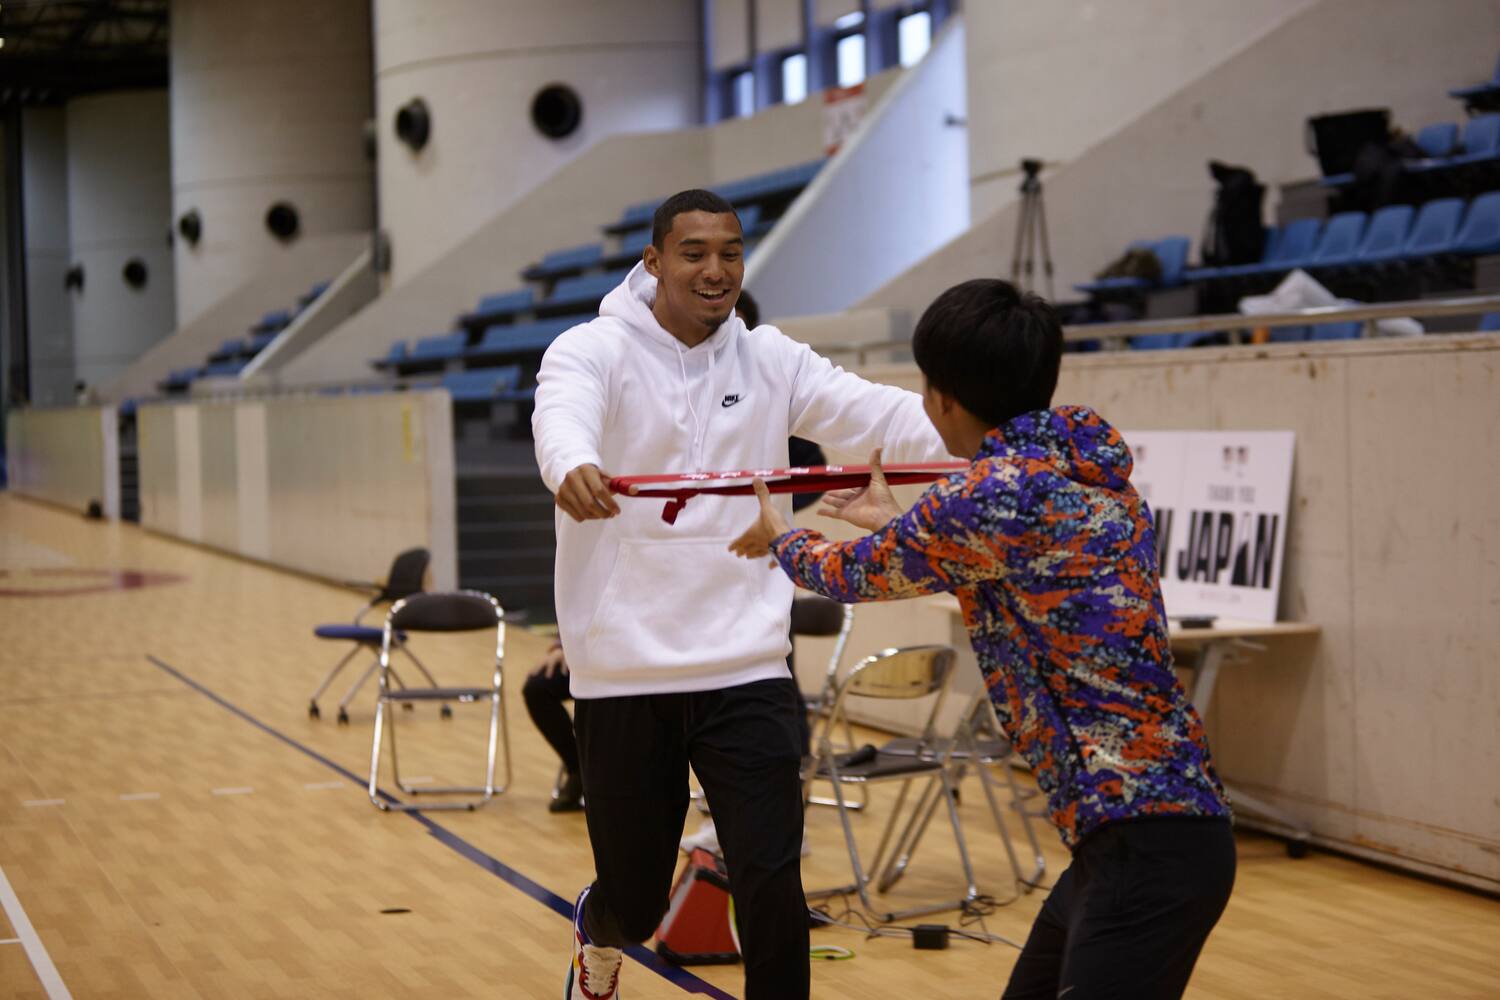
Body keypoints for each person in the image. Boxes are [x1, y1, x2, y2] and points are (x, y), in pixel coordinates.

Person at [729, 278, 1236, 1000]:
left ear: (941, 399)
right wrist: (897, 526)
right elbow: (1020, 579)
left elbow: (847, 575)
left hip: (1144, 838)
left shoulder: (986, 494)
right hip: (1145, 832)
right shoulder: (1092, 477)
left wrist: (784, 529)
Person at [533, 188, 946, 1000]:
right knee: (637, 900)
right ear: (653, 262)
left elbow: (880, 415)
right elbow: (563, 415)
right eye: (694, 253)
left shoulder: (774, 360)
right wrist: (569, 462)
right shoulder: (590, 350)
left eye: (730, 252)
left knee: (770, 879)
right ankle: (600, 932)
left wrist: (990, 439)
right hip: (625, 674)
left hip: (748, 667)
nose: (715, 270)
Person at [521, 290, 825, 820]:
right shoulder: (616, 374)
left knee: (778, 690)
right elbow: (565, 431)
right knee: (541, 689)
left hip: (744, 616)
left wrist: (776, 525)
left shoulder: (770, 382)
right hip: (637, 653)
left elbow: (813, 472)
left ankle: (779, 784)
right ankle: (581, 775)